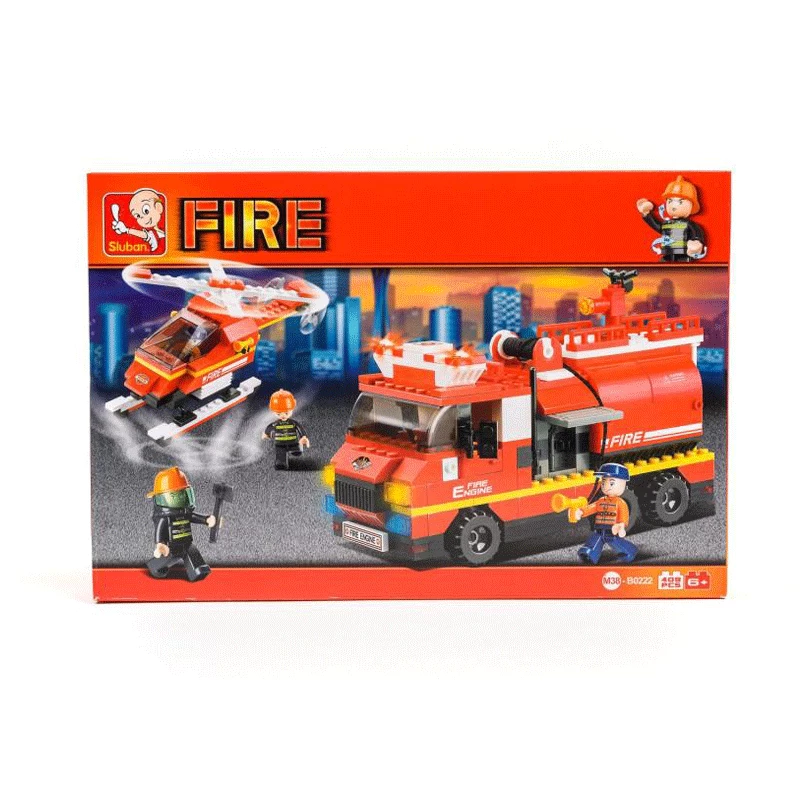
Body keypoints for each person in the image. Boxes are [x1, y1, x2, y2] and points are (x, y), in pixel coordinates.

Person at [145, 467, 216, 581]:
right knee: (169, 556)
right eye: (175, 495)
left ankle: (198, 570)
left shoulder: (185, 512)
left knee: (192, 553)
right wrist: (160, 544)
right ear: (162, 498)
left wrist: (206, 520)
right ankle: (155, 567)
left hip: (186, 542)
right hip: (172, 545)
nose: (181, 498)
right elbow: (160, 530)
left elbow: (193, 516)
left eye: (183, 494)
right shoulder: (164, 517)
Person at [574, 463, 638, 564]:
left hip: (612, 529)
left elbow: (623, 516)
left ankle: (630, 551)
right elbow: (592, 507)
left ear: (623, 484)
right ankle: (589, 555)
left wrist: (621, 526)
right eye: (603, 483)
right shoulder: (601, 500)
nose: (606, 486)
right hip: (599, 529)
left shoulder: (620, 503)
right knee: (595, 540)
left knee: (615, 542)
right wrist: (581, 512)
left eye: (611, 483)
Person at [636, 175, 705, 262]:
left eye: (680, 202)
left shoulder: (689, 224)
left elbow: (696, 233)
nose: (673, 206)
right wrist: (647, 214)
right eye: (670, 201)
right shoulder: (666, 224)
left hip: (683, 255)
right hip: (666, 254)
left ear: (691, 206)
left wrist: (696, 242)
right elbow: (657, 226)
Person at [262, 389, 310, 470]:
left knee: (297, 449)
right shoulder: (275, 424)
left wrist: (304, 437)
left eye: (286, 413)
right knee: (280, 455)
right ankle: (281, 463)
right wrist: (266, 434)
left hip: (294, 442)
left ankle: (297, 449)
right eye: (279, 414)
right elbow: (269, 428)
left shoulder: (293, 423)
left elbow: (300, 428)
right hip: (280, 444)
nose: (283, 415)